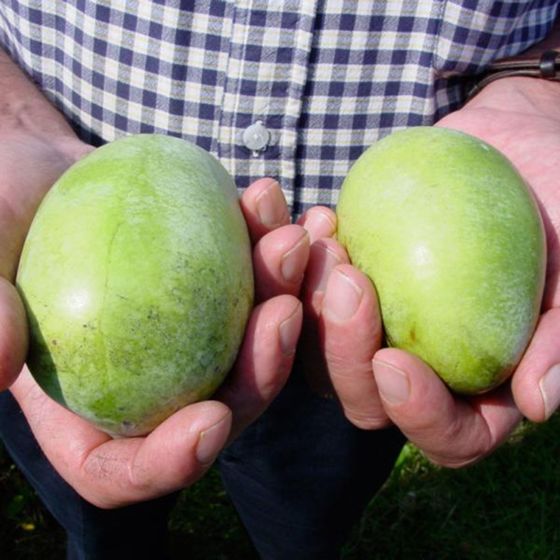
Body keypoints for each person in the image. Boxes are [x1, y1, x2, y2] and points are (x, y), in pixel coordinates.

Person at [0, 2, 559, 558]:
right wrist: (10, 118)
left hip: (353, 327)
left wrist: (544, 91)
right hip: (52, 194)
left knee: (303, 519)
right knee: (98, 518)